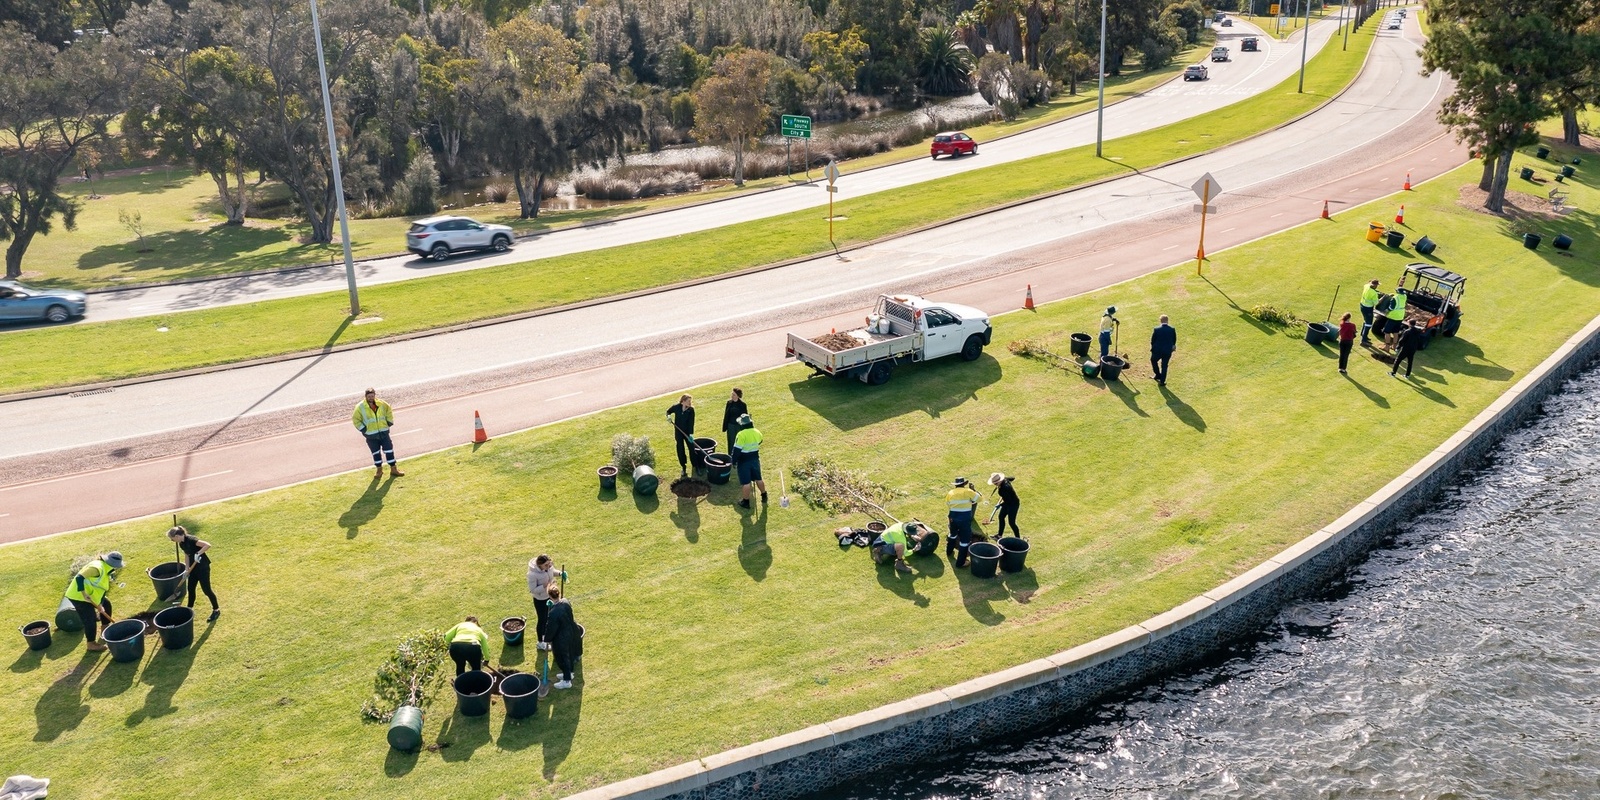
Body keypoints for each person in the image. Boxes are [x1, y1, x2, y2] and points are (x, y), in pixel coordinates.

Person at [63, 551, 124, 652]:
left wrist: (100, 604)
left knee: (106, 605)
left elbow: (102, 588)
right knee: (90, 618)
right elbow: (79, 578)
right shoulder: (97, 568)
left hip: (91, 595)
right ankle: (91, 644)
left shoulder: (106, 569)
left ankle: (105, 629)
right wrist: (83, 593)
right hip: (78, 596)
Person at [167, 526, 220, 622]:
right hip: (193, 568)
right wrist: (187, 569)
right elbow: (187, 555)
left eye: (172, 538)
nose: (172, 540)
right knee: (191, 589)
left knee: (207, 590)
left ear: (177, 536)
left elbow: (207, 545)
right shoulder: (181, 543)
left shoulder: (191, 539)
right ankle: (189, 609)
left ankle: (216, 610)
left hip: (203, 568)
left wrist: (198, 553)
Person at [352, 388, 404, 479]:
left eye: (372, 396)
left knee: (389, 451)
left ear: (375, 395)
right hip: (371, 436)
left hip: (383, 433)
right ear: (366, 397)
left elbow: (389, 411)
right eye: (369, 396)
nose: (371, 398)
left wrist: (389, 422)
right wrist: (364, 429)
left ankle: (394, 469)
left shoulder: (382, 404)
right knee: (376, 453)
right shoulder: (360, 407)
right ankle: (379, 471)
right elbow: (356, 420)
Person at [545, 585, 583, 690]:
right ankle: (569, 674)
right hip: (572, 631)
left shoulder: (553, 613)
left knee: (563, 658)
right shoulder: (566, 601)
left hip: (562, 638)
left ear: (549, 596)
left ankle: (567, 681)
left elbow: (551, 628)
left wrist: (546, 639)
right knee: (569, 655)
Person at [526, 555, 564, 651]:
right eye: (546, 565)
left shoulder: (549, 567)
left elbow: (552, 571)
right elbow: (532, 590)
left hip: (549, 596)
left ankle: (548, 636)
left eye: (549, 564)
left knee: (549, 617)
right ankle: (540, 642)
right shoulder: (532, 574)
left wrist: (560, 573)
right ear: (540, 565)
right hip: (540, 600)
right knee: (542, 620)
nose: (549, 566)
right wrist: (544, 586)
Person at [732, 413, 767, 509]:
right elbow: (760, 441)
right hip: (755, 458)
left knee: (746, 482)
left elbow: (737, 450)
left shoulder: (741, 434)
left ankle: (746, 502)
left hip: (744, 461)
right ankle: (764, 495)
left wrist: (733, 461)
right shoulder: (757, 432)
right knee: (758, 478)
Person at [945, 477, 982, 567]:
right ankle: (960, 562)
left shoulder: (950, 493)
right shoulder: (968, 491)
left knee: (952, 534)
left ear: (956, 485)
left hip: (952, 517)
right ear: (964, 484)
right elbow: (979, 499)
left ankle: (949, 551)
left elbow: (948, 504)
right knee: (964, 540)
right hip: (964, 519)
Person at [665, 394, 696, 475]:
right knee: (680, 449)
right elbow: (668, 411)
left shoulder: (691, 410)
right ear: (683, 401)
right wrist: (668, 416)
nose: (690, 403)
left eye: (690, 401)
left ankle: (695, 465)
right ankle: (683, 467)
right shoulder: (677, 407)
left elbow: (691, 423)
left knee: (692, 448)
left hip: (687, 433)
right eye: (688, 401)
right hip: (678, 432)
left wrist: (691, 434)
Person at [1150, 314, 1176, 385]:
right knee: (1164, 365)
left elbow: (1153, 340)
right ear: (1167, 321)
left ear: (1160, 321)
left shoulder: (1156, 329)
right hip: (1167, 351)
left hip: (1157, 350)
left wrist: (1153, 348)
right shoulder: (1172, 329)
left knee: (1153, 360)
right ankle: (1162, 381)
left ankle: (1157, 374)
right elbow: (1174, 340)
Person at [721, 388, 749, 456]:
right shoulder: (729, 403)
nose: (732, 396)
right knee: (731, 442)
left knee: (739, 442)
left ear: (738, 396)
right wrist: (725, 426)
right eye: (732, 394)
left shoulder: (742, 405)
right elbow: (726, 414)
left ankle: (739, 457)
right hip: (730, 426)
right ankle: (731, 457)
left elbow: (745, 417)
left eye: (734, 395)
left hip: (739, 426)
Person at [1382, 285, 1409, 350]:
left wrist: (1386, 311)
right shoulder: (1405, 296)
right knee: (1395, 332)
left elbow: (1391, 307)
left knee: (1387, 332)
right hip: (1400, 317)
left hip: (1393, 317)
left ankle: (1387, 347)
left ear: (1397, 292)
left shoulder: (1395, 298)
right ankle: (1394, 346)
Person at [1359, 279, 1382, 346]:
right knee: (1368, 323)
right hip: (1368, 308)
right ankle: (1363, 340)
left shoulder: (1366, 286)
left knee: (1366, 321)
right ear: (1374, 285)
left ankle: (1363, 335)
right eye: (1377, 285)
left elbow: (1367, 285)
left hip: (1362, 305)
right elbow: (1376, 303)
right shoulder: (1373, 293)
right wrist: (1383, 297)